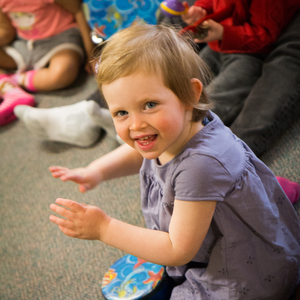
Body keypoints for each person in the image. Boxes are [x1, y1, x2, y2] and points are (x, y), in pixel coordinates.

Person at [49, 24, 300, 299]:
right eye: (121, 112)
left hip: (245, 277)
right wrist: (96, 171)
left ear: (190, 94)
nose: (135, 124)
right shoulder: (176, 128)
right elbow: (139, 151)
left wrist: (104, 227)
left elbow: (177, 249)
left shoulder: (200, 166)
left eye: (149, 105)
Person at [181, 0, 300, 155]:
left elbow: (265, 34)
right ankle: (175, 131)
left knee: (215, 101)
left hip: (248, 52)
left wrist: (224, 32)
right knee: (184, 80)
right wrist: (201, 10)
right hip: (217, 44)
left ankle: (200, 148)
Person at [0, 0, 94, 125]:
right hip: (25, 43)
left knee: (63, 73)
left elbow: (78, 10)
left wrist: (91, 54)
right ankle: (11, 90)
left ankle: (11, 81)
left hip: (61, 38)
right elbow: (7, 32)